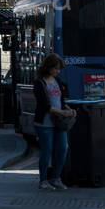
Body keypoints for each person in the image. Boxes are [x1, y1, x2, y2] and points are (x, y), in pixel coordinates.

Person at [34, 53, 76, 191]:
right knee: (46, 151)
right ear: (48, 67)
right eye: (56, 68)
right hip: (45, 123)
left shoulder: (58, 81)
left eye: (59, 69)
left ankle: (56, 178)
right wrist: (62, 112)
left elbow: (61, 101)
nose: (58, 71)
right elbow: (45, 105)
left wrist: (68, 110)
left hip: (59, 122)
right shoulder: (40, 83)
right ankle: (43, 180)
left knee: (63, 149)